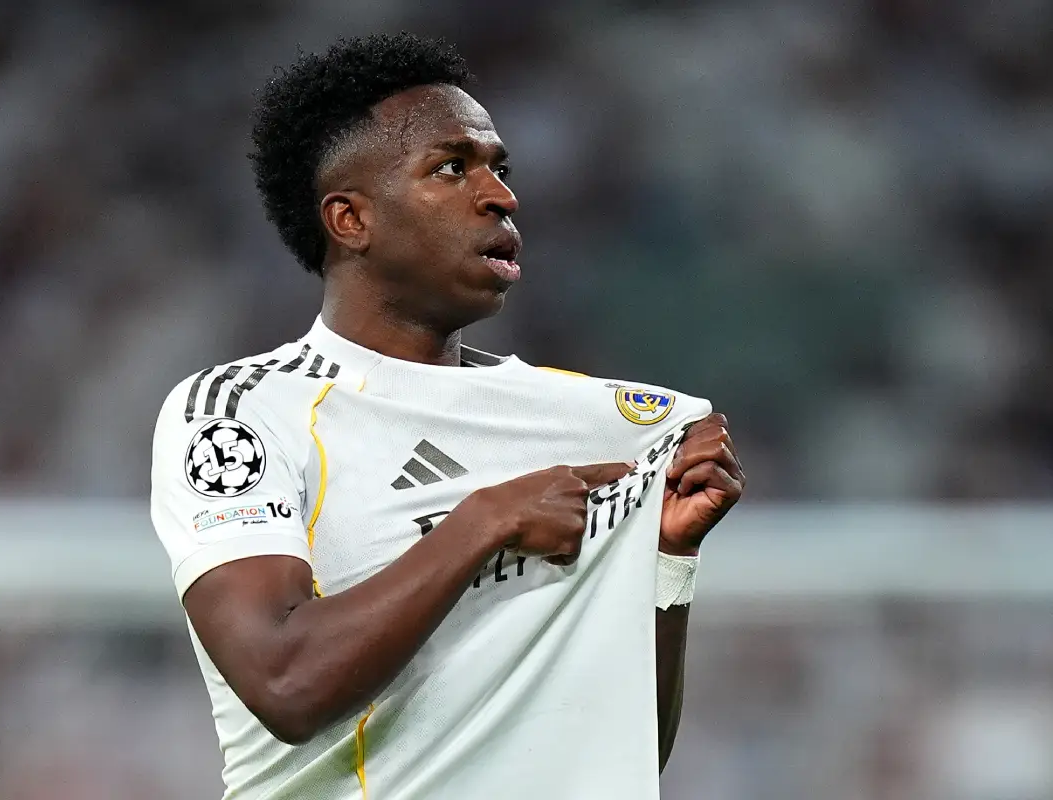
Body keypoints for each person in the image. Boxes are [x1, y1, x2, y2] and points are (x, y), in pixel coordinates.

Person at [150, 32, 744, 800]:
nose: (500, 195)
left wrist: (663, 564)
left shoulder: (592, 425)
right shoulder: (242, 414)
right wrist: (483, 521)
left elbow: (625, 744)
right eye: (452, 168)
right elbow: (283, 681)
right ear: (350, 219)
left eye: (499, 167)